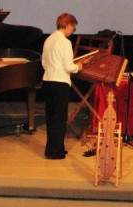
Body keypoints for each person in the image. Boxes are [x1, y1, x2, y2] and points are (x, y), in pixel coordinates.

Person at [41, 13, 83, 160]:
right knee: (59, 119)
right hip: (60, 83)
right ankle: (55, 152)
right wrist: (78, 66)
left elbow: (44, 63)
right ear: (68, 25)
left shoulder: (48, 39)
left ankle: (54, 148)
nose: (73, 30)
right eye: (73, 27)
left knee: (51, 117)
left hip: (47, 82)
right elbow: (69, 66)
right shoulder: (65, 42)